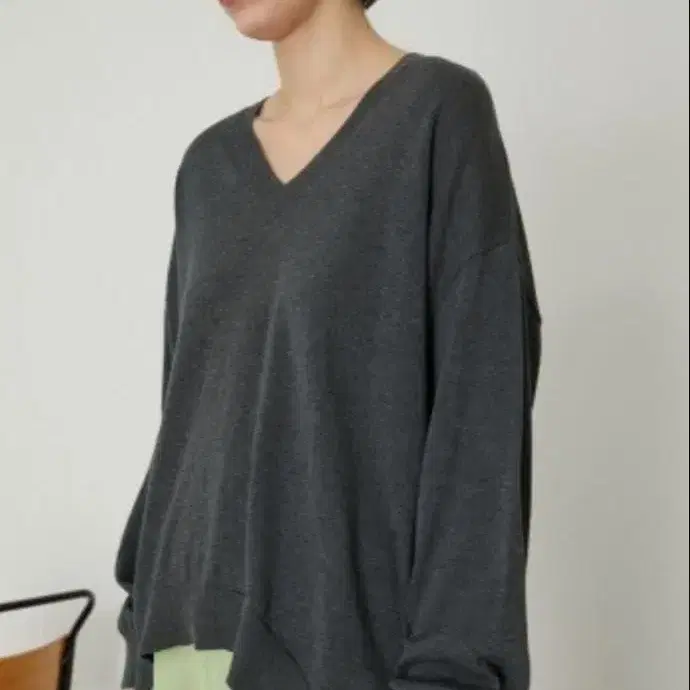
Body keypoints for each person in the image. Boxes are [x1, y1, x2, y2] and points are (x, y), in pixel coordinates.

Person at [114, 0, 543, 688]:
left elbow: (480, 428)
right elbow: (185, 419)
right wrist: (140, 618)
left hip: (342, 652)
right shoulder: (207, 167)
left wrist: (453, 671)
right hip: (179, 648)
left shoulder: (437, 114)